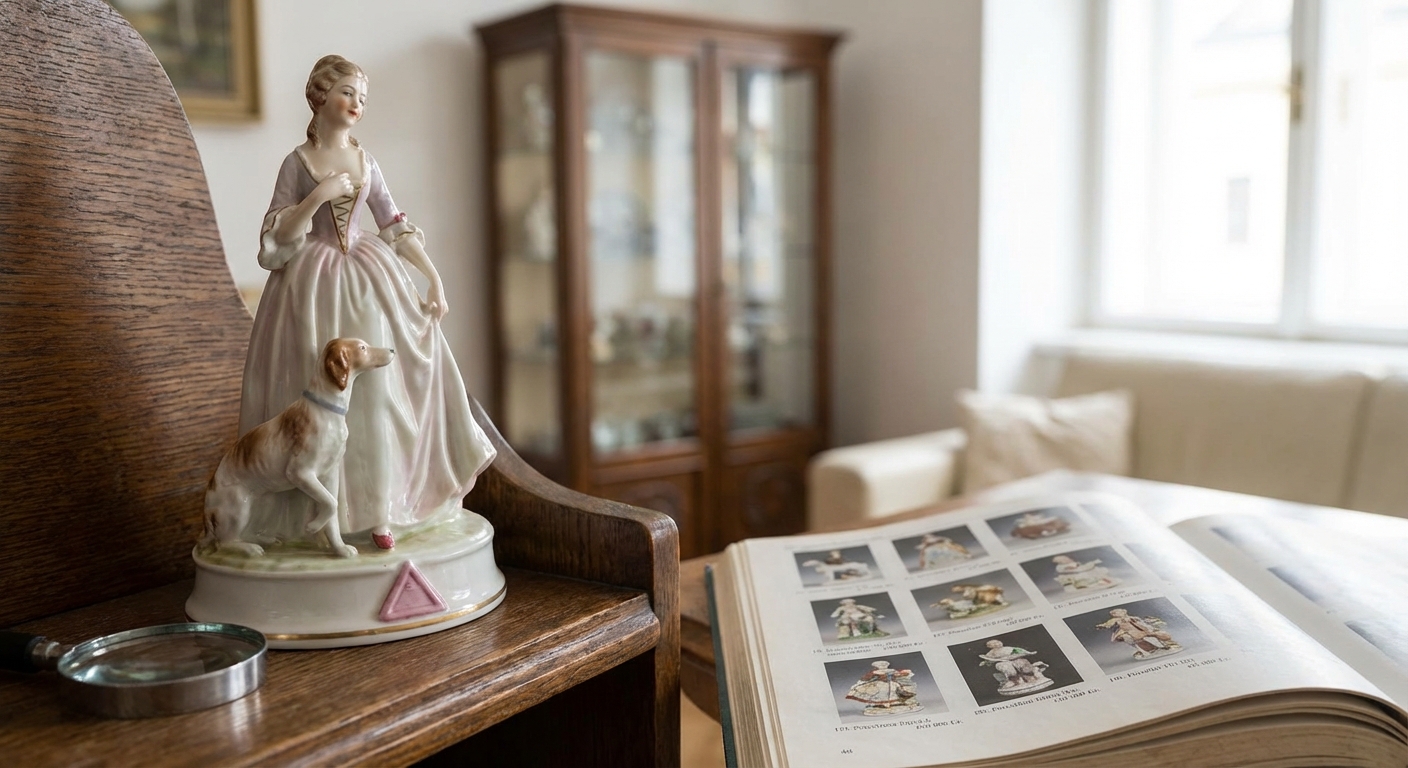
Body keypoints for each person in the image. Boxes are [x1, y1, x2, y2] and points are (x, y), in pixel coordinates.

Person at [238, 55, 496, 551]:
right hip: (310, 286)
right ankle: (308, 518)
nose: (357, 104)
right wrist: (318, 197)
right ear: (320, 96)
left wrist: (434, 278)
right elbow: (274, 240)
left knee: (376, 395)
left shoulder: (366, 160)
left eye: (362, 97)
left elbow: (394, 224)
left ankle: (381, 509)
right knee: (311, 393)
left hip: (369, 278)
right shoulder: (298, 163)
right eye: (348, 93)